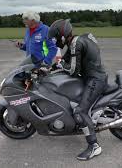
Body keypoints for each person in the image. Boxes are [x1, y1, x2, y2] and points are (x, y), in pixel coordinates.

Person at [48, 19, 107, 161]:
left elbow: (73, 70)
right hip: (91, 77)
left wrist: (61, 63)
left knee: (79, 111)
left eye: (56, 38)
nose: (55, 41)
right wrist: (48, 69)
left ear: (62, 36)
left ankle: (94, 146)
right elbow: (66, 59)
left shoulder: (76, 43)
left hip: (95, 80)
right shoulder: (77, 40)